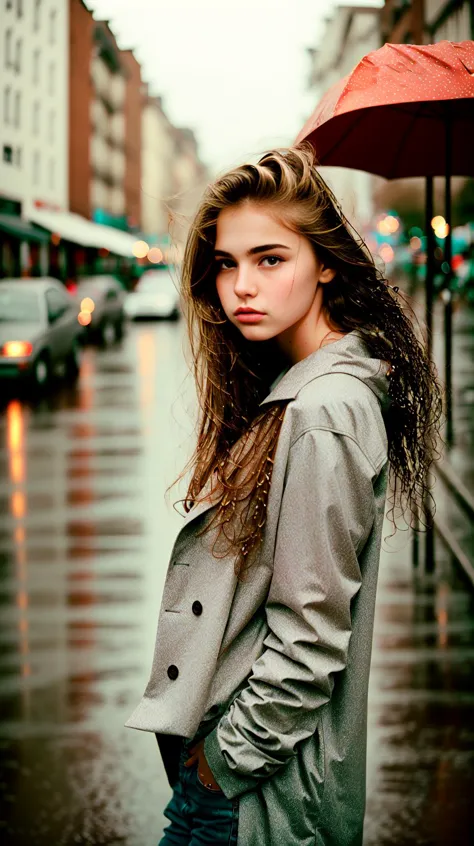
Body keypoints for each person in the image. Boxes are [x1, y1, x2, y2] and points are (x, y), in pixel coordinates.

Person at [125, 145, 442, 846]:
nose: (242, 285)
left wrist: (218, 768)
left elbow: (308, 642)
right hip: (250, 790)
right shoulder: (313, 388)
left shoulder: (323, 410)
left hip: (254, 802)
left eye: (270, 259)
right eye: (228, 263)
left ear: (325, 262)